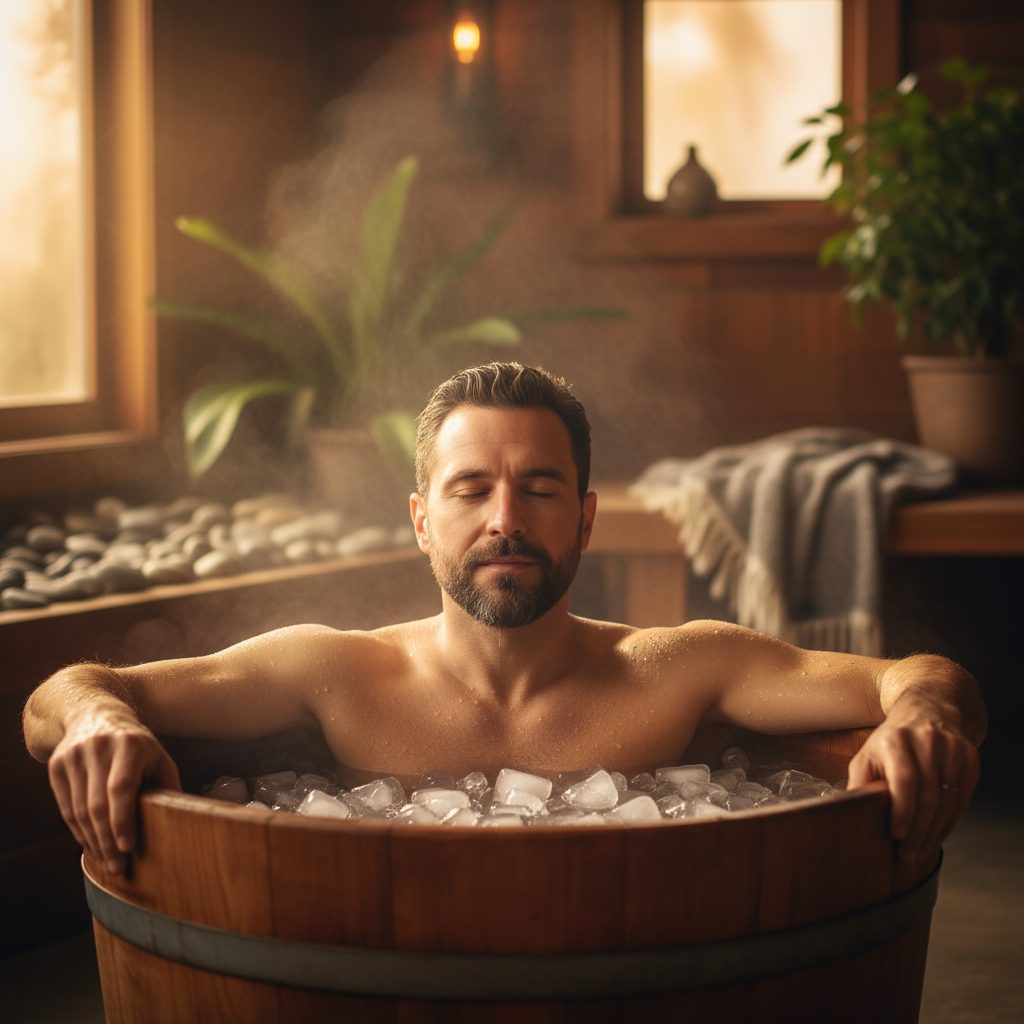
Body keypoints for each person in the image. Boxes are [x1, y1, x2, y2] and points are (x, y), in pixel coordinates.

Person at [24, 362, 985, 877]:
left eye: (539, 488)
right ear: (420, 519)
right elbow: (66, 692)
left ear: (587, 515)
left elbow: (920, 675)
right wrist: (103, 722)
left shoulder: (678, 668)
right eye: (472, 488)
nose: (505, 521)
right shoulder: (333, 671)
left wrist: (925, 717)